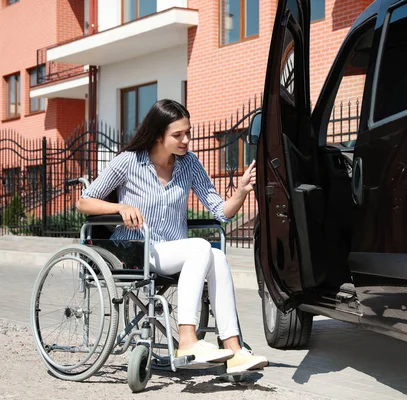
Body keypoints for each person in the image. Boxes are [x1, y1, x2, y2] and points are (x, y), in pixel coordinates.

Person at [76, 99, 268, 374]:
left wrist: (240, 192)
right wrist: (121, 207)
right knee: (202, 248)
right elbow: (84, 202)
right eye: (178, 135)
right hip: (138, 249)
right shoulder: (129, 162)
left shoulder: (188, 164)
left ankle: (234, 350)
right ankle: (188, 341)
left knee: (215, 255)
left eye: (187, 132)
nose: (186, 140)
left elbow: (220, 211)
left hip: (174, 251)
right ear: (157, 135)